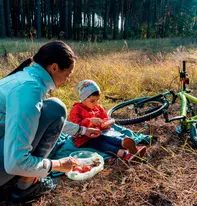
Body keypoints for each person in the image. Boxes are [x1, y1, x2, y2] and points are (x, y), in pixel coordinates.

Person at [0, 41, 101, 203]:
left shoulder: (24, 78)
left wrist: (82, 131)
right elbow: (15, 163)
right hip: (8, 165)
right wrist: (59, 164)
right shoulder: (29, 89)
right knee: (56, 108)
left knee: (52, 109)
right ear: (54, 68)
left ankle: (16, 181)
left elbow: (35, 119)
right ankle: (24, 187)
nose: (68, 80)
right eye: (68, 74)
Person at [69, 80, 147, 161]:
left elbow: (105, 118)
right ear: (83, 99)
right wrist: (89, 121)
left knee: (111, 137)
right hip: (85, 138)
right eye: (92, 101)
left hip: (100, 132)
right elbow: (75, 125)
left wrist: (105, 123)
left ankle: (127, 145)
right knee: (102, 144)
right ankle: (125, 155)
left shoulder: (97, 107)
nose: (95, 103)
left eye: (97, 100)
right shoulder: (76, 109)